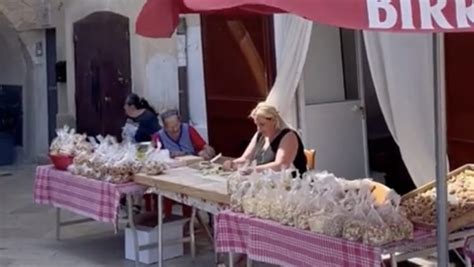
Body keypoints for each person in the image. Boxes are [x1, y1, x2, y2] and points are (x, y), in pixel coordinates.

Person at [223, 102, 307, 175]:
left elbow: (281, 165)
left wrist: (252, 170)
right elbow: (245, 159)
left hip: (292, 186)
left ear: (274, 121)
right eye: (257, 124)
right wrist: (232, 164)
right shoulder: (260, 135)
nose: (259, 129)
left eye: (262, 124)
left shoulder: (289, 136)